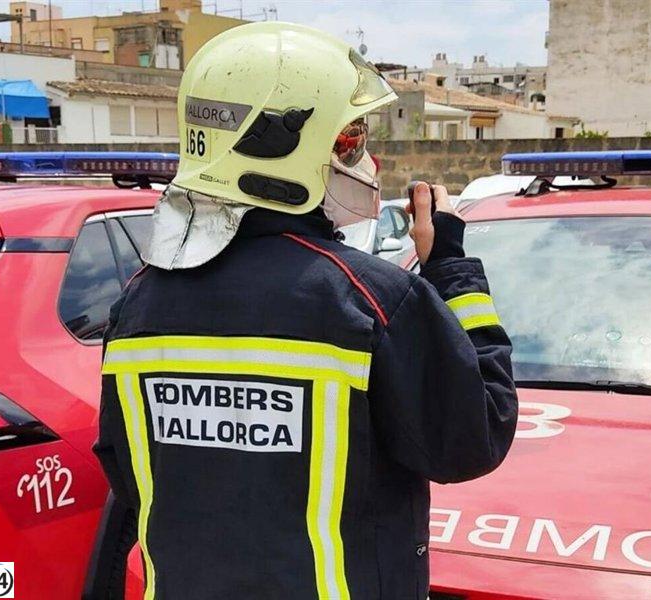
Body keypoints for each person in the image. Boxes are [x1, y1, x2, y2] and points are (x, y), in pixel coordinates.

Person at [94, 21, 518, 600]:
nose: (363, 158)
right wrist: (450, 267)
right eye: (349, 139)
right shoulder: (373, 299)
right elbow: (475, 438)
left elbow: (129, 475)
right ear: (283, 143)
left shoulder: (136, 304)